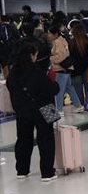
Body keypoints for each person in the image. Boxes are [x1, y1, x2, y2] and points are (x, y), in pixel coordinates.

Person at [9, 41, 59, 181]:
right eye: (35, 55)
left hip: (22, 111)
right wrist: (54, 82)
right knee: (46, 139)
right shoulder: (36, 72)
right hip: (44, 109)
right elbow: (51, 89)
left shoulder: (13, 74)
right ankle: (47, 172)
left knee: (23, 140)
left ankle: (22, 170)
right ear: (31, 56)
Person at [47, 24, 84, 113]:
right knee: (69, 88)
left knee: (59, 90)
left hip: (60, 69)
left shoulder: (57, 42)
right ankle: (78, 105)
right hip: (66, 68)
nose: (48, 35)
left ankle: (59, 109)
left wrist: (50, 58)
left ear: (55, 34)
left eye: (49, 34)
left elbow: (60, 56)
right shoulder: (62, 40)